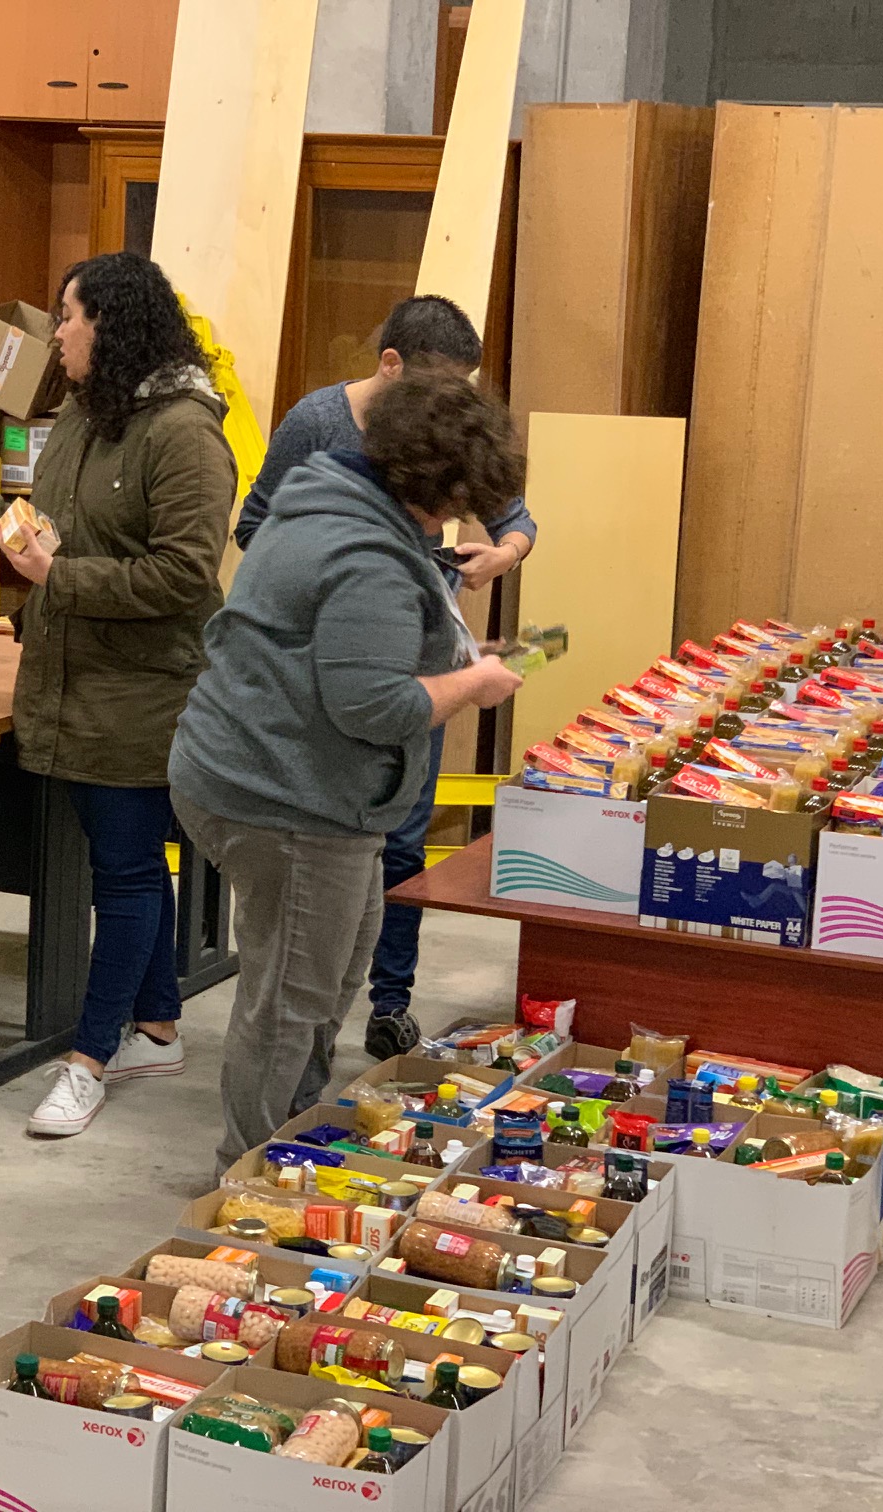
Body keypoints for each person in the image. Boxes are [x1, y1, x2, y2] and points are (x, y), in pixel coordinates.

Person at [0, 251, 236, 1140]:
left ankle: (89, 1060)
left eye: (71, 317)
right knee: (128, 864)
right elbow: (33, 535)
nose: (59, 334)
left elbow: (185, 575)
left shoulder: (186, 434)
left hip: (141, 694)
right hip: (71, 680)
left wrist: (62, 578)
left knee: (122, 875)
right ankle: (156, 1029)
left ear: (113, 325)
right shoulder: (87, 415)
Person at [170, 372, 526, 1170]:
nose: (463, 518)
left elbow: (352, 654)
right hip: (288, 795)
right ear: (438, 487)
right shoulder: (369, 556)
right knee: (290, 997)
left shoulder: (329, 497)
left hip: (274, 775)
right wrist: (474, 683)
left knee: (332, 966)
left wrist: (455, 658)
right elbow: (373, 706)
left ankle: (294, 1131)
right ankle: (248, 1172)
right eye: (463, 501)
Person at [234, 295, 535, 1060]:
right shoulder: (316, 423)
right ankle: (299, 1030)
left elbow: (516, 520)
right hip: (329, 666)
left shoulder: (445, 429)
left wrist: (502, 554)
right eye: (438, 383)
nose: (448, 402)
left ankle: (389, 1002)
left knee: (401, 843)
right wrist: (345, 568)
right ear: (391, 365)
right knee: (330, 846)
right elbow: (254, 525)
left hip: (417, 653)